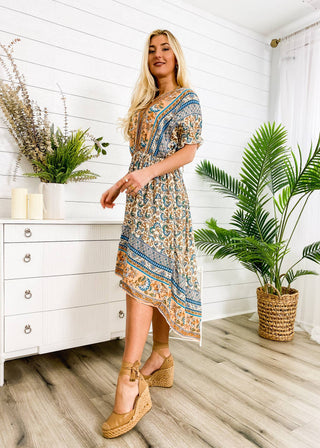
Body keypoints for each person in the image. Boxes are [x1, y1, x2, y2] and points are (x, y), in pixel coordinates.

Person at [99, 29, 203, 439]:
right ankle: (161, 355)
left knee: (141, 284)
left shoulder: (186, 99)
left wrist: (144, 174)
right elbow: (140, 160)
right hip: (140, 198)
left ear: (177, 56)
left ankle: (129, 381)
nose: (158, 55)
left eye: (165, 49)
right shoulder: (145, 104)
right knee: (150, 278)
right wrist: (121, 183)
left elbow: (189, 150)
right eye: (151, 50)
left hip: (166, 202)